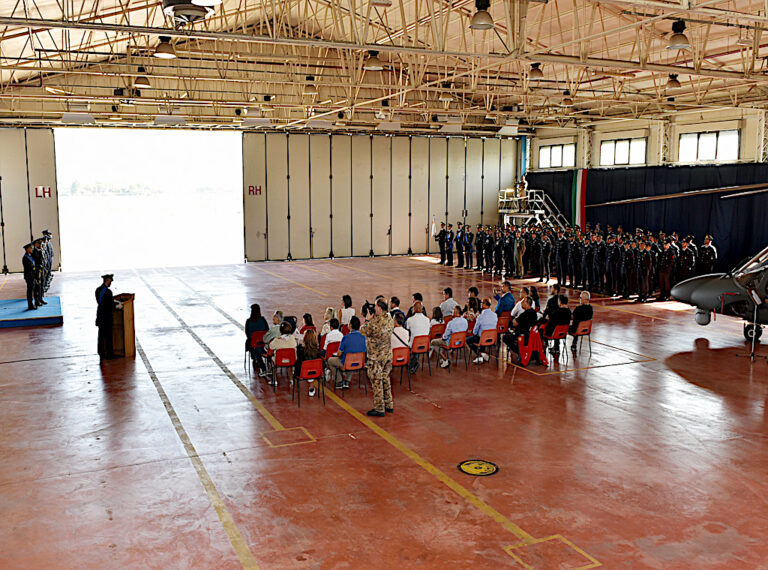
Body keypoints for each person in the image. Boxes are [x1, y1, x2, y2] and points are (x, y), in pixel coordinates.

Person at [361, 300, 395, 417]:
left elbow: (363, 330)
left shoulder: (373, 323)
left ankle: (379, 408)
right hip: (387, 355)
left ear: (379, 308)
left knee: (377, 382)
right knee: (386, 379)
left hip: (376, 357)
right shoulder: (390, 319)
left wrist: (367, 319)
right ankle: (389, 404)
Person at [327, 316, 366, 389]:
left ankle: (339, 381)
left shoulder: (346, 337)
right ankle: (347, 381)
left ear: (350, 325)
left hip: (346, 363)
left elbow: (339, 354)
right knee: (353, 357)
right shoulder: (364, 338)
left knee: (330, 361)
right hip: (359, 362)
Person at [95, 274, 120, 360]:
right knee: (108, 336)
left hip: (100, 316)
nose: (111, 283)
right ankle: (110, 354)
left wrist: (113, 302)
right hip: (107, 317)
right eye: (110, 281)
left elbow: (102, 302)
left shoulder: (98, 290)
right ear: (107, 280)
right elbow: (108, 305)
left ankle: (101, 352)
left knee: (101, 336)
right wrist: (116, 306)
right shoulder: (108, 292)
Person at [267, 321, 298, 386]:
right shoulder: (292, 338)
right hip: (291, 360)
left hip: (279, 361)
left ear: (280, 331)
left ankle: (274, 380)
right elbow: (295, 345)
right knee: (290, 363)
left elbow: (271, 346)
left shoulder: (277, 340)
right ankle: (291, 379)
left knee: (274, 363)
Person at [468, 298, 498, 364]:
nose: (481, 304)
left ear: (484, 304)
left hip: (482, 339)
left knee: (468, 340)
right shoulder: (495, 315)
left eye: (482, 303)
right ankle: (483, 353)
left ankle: (480, 354)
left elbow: (474, 331)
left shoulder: (480, 317)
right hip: (492, 338)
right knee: (483, 334)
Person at [295, 329, 322, 397]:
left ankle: (311, 387)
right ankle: (311, 388)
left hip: (302, 373)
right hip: (316, 372)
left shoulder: (300, 350)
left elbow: (298, 362)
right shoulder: (318, 351)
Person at [405, 301, 430, 372]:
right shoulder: (427, 320)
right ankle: (414, 362)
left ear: (414, 309)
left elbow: (407, 330)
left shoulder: (410, 320)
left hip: (414, 344)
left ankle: (412, 362)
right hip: (425, 344)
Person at [245, 303, 270, 376]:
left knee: (253, 347)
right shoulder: (263, 319)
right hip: (263, 342)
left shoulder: (249, 321)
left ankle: (257, 360)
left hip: (254, 343)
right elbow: (267, 330)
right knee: (260, 348)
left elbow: (248, 334)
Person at [31, 238, 46, 307]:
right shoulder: (34, 251)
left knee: (41, 285)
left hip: (41, 269)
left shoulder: (40, 250)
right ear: (35, 244)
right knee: (37, 286)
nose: (40, 245)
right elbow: (36, 262)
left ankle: (40, 298)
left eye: (41, 244)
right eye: (39, 244)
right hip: (37, 271)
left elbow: (42, 261)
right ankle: (37, 300)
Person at [22, 243, 36, 311]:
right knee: (30, 291)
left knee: (32, 290)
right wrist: (34, 268)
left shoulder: (30, 256)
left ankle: (32, 304)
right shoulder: (25, 257)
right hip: (29, 276)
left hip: (32, 275)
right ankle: (30, 305)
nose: (32, 249)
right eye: (30, 248)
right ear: (27, 249)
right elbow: (30, 267)